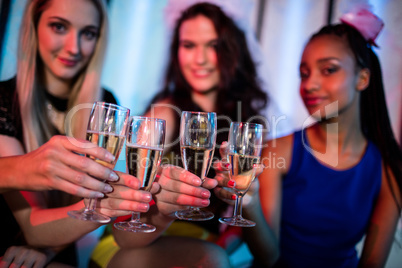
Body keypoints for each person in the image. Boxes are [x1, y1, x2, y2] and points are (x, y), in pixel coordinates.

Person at [89, 1, 270, 267]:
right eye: (189, 45)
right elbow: (124, 226)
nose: (200, 59)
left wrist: (248, 201)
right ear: (176, 52)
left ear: (233, 50)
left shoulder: (244, 130)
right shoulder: (164, 114)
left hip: (202, 245)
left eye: (213, 45)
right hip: (135, 246)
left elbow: (269, 255)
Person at [232, 8, 402, 267]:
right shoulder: (279, 150)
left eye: (328, 70)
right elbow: (268, 256)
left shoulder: (386, 168)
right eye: (304, 73)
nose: (309, 84)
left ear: (363, 78)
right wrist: (247, 201)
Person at [0, 0, 155, 266]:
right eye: (59, 27)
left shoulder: (106, 103)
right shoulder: (4, 101)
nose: (74, 48)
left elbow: (98, 207)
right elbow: (34, 227)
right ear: (34, 26)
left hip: (60, 252)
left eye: (88, 33)